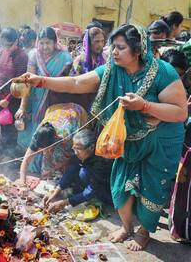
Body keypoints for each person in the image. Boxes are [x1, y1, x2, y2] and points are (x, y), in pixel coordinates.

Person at [21, 24, 187, 251]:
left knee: (150, 189)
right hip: (128, 140)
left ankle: (144, 231)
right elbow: (77, 82)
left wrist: (144, 105)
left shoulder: (162, 72)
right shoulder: (112, 70)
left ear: (137, 50)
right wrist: (41, 80)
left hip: (160, 141)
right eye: (113, 47)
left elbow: (180, 112)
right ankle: (127, 226)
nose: (114, 52)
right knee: (120, 188)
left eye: (120, 47)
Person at [16, 27, 72, 149]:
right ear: (37, 42)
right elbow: (27, 81)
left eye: (48, 43)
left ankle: (49, 165)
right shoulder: (34, 55)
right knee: (37, 132)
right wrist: (22, 107)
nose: (45, 47)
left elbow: (68, 81)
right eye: (41, 43)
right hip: (36, 100)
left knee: (52, 131)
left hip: (56, 100)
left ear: (54, 42)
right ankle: (34, 164)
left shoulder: (65, 58)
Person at [43, 129, 113, 213]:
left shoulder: (101, 160)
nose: (75, 152)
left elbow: (92, 189)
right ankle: (85, 196)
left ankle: (99, 198)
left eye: (78, 149)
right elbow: (72, 169)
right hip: (94, 182)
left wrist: (63, 203)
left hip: (108, 189)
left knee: (84, 174)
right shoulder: (83, 153)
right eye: (74, 148)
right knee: (80, 171)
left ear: (91, 147)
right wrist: (56, 190)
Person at [19, 103, 88, 184]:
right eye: (42, 149)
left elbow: (72, 154)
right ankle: (47, 180)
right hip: (55, 111)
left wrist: (62, 169)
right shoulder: (38, 136)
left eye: (47, 148)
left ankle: (63, 181)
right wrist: (22, 183)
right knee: (47, 158)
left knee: (61, 157)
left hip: (76, 113)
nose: (45, 151)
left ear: (55, 139)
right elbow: (26, 160)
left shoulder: (65, 135)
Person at [0, 27, 28, 153]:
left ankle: (10, 156)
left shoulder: (22, 56)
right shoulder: (0, 53)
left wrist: (8, 99)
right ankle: (3, 152)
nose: (6, 47)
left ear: (16, 41)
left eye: (9, 45)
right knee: (1, 126)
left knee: (11, 129)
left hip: (13, 99)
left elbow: (20, 81)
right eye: (3, 44)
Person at [70, 25, 107, 110]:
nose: (100, 44)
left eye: (102, 41)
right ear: (89, 42)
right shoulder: (80, 61)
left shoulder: (105, 59)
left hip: (99, 104)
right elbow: (73, 83)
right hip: (81, 103)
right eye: (96, 41)